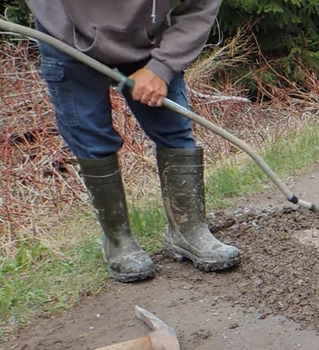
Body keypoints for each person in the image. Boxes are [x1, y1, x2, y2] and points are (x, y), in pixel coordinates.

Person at [25, 0, 239, 282]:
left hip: (148, 40)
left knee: (174, 131)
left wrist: (162, 67)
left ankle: (188, 232)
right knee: (92, 139)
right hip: (66, 35)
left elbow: (201, 6)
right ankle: (118, 243)